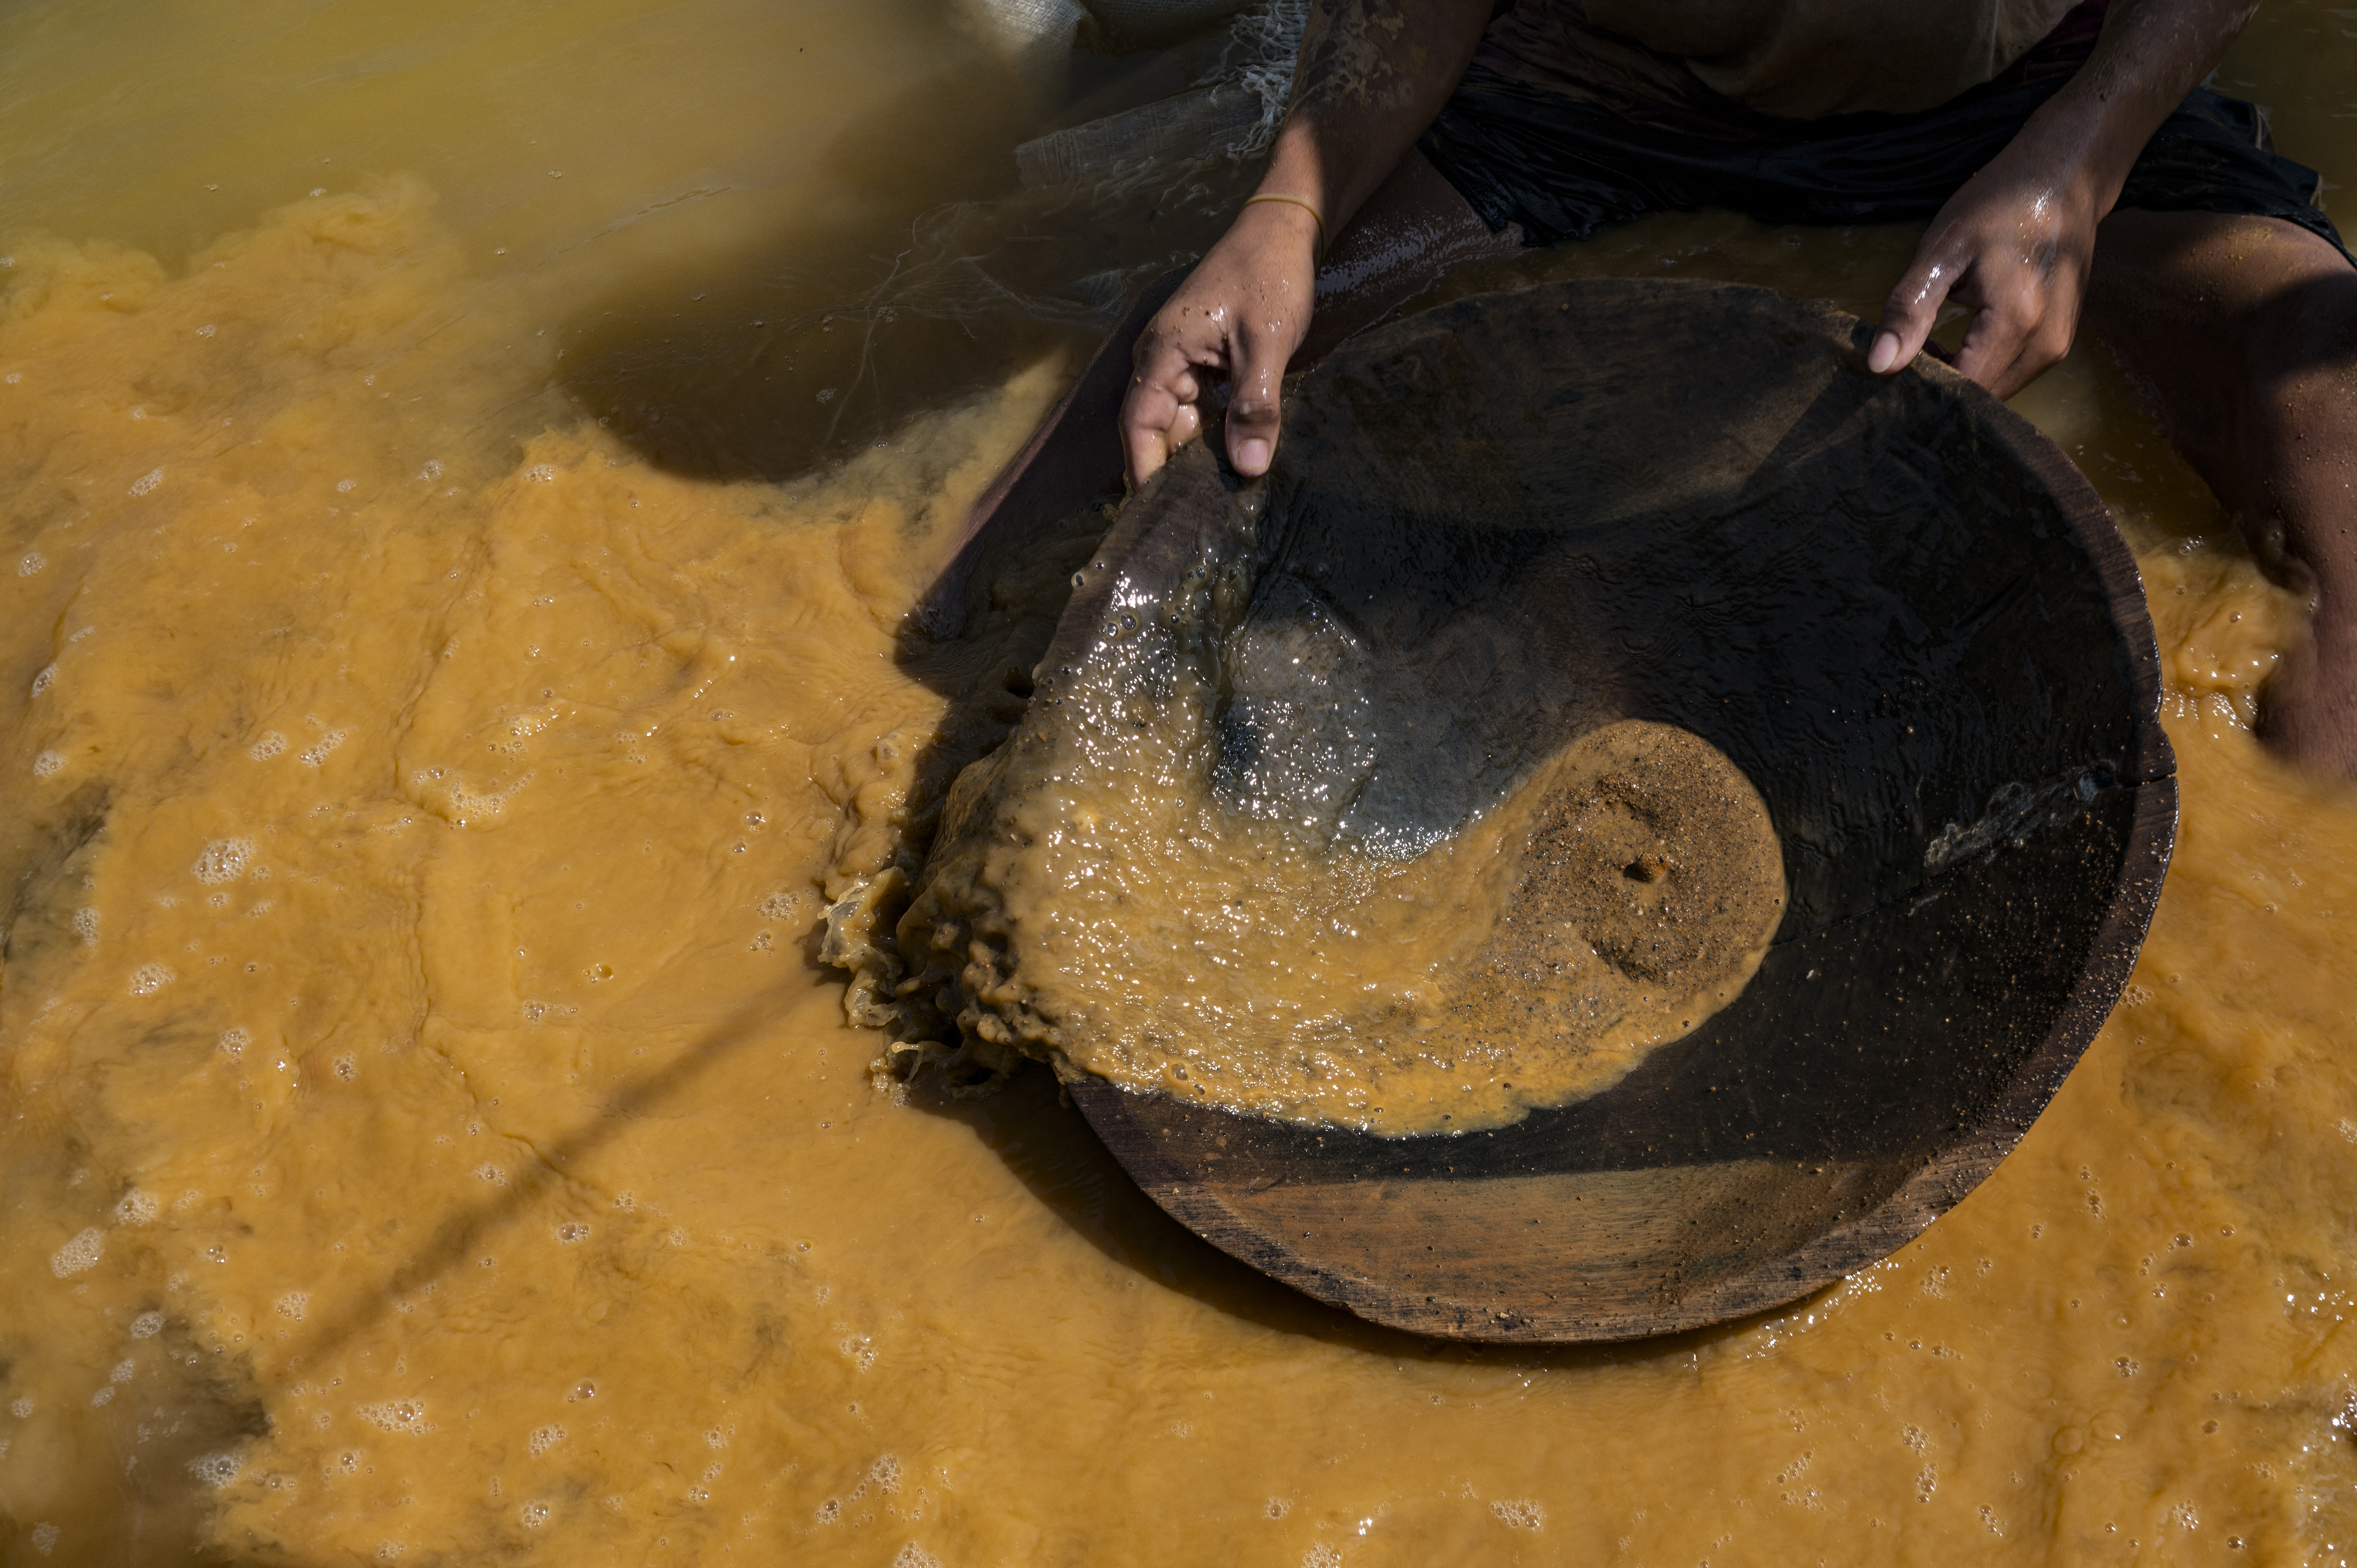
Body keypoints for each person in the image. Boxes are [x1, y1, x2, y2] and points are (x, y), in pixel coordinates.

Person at [1116, 0, 2357, 777]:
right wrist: (1288, 209)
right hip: (1602, 96)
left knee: (2332, 425)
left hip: (2027, 105)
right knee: (1185, 392)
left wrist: (2081, 169)